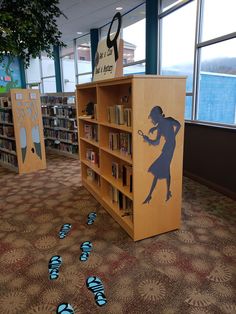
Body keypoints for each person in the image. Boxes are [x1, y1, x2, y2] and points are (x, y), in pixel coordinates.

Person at [138, 106, 181, 204]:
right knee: (162, 169)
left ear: (157, 115)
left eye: (153, 117)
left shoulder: (167, 121)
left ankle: (154, 194)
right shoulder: (162, 125)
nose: (152, 119)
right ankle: (164, 193)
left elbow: (178, 125)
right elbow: (157, 141)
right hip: (168, 146)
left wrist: (173, 136)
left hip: (170, 146)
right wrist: (148, 138)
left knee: (162, 168)